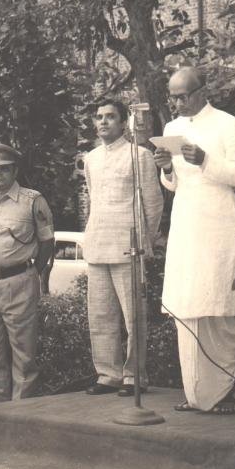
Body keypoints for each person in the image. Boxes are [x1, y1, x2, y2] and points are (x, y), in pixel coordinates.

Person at [154, 67, 235, 414]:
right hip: (186, 222)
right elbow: (174, 184)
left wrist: (206, 160)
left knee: (218, 304)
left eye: (183, 96)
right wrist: (166, 168)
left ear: (202, 91)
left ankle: (222, 391)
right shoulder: (172, 129)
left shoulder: (228, 124)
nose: (177, 103)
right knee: (188, 306)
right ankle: (195, 392)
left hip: (219, 223)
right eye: (173, 97)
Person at [83, 100, 164, 396]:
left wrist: (144, 241)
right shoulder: (91, 158)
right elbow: (94, 199)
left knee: (134, 317)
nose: (103, 122)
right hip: (97, 244)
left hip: (129, 246)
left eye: (110, 117)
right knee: (100, 316)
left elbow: (153, 203)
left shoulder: (139, 155)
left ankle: (134, 376)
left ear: (122, 122)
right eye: (99, 117)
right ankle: (108, 374)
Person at [0, 143, 54, 404]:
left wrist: (31, 274)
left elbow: (47, 243)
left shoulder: (32, 201)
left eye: (4, 169)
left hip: (18, 283)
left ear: (15, 170)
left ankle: (20, 416)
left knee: (24, 358)